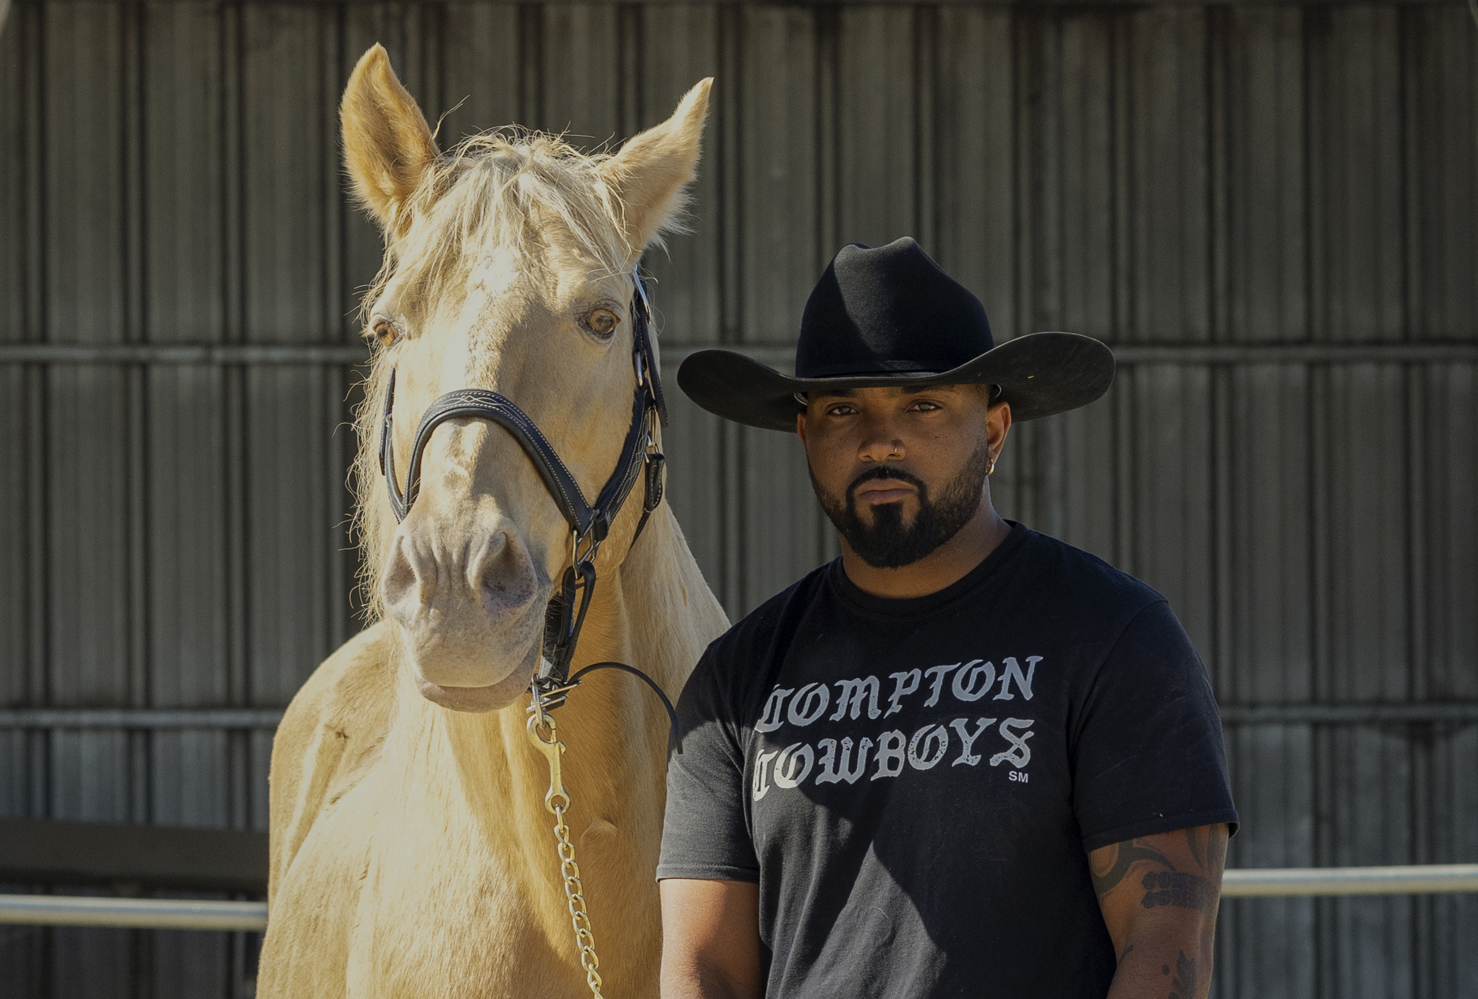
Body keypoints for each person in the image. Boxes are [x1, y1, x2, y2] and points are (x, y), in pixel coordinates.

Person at [657, 238, 1238, 999]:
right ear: (806, 436)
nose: (878, 439)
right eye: (841, 409)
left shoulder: (1113, 639)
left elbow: (1166, 944)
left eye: (922, 404)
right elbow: (705, 969)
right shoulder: (736, 682)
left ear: (993, 432)